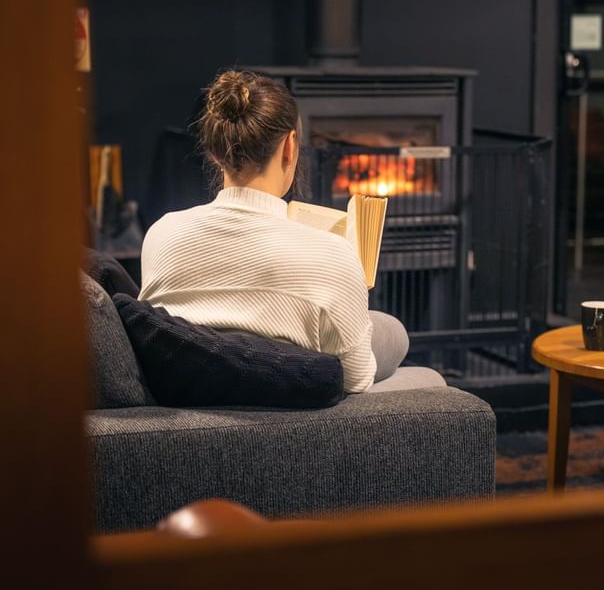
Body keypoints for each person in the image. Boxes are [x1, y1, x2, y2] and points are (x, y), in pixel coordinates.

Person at [139, 69, 411, 393]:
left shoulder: (161, 235)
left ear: (212, 152)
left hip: (192, 397)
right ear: (290, 147)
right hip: (293, 404)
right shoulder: (333, 254)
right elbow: (355, 380)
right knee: (393, 332)